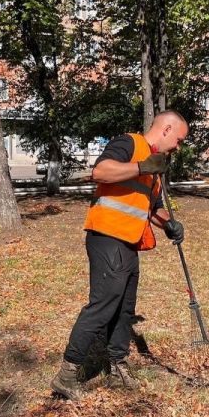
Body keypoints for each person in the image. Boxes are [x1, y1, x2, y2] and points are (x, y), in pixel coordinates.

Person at [50, 110, 189, 400]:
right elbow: (100, 172)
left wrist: (169, 224)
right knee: (102, 306)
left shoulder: (155, 169)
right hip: (106, 237)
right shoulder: (129, 144)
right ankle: (67, 374)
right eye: (178, 140)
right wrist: (141, 166)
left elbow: (153, 209)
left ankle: (117, 364)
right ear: (165, 129)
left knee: (125, 308)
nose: (178, 147)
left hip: (129, 241)